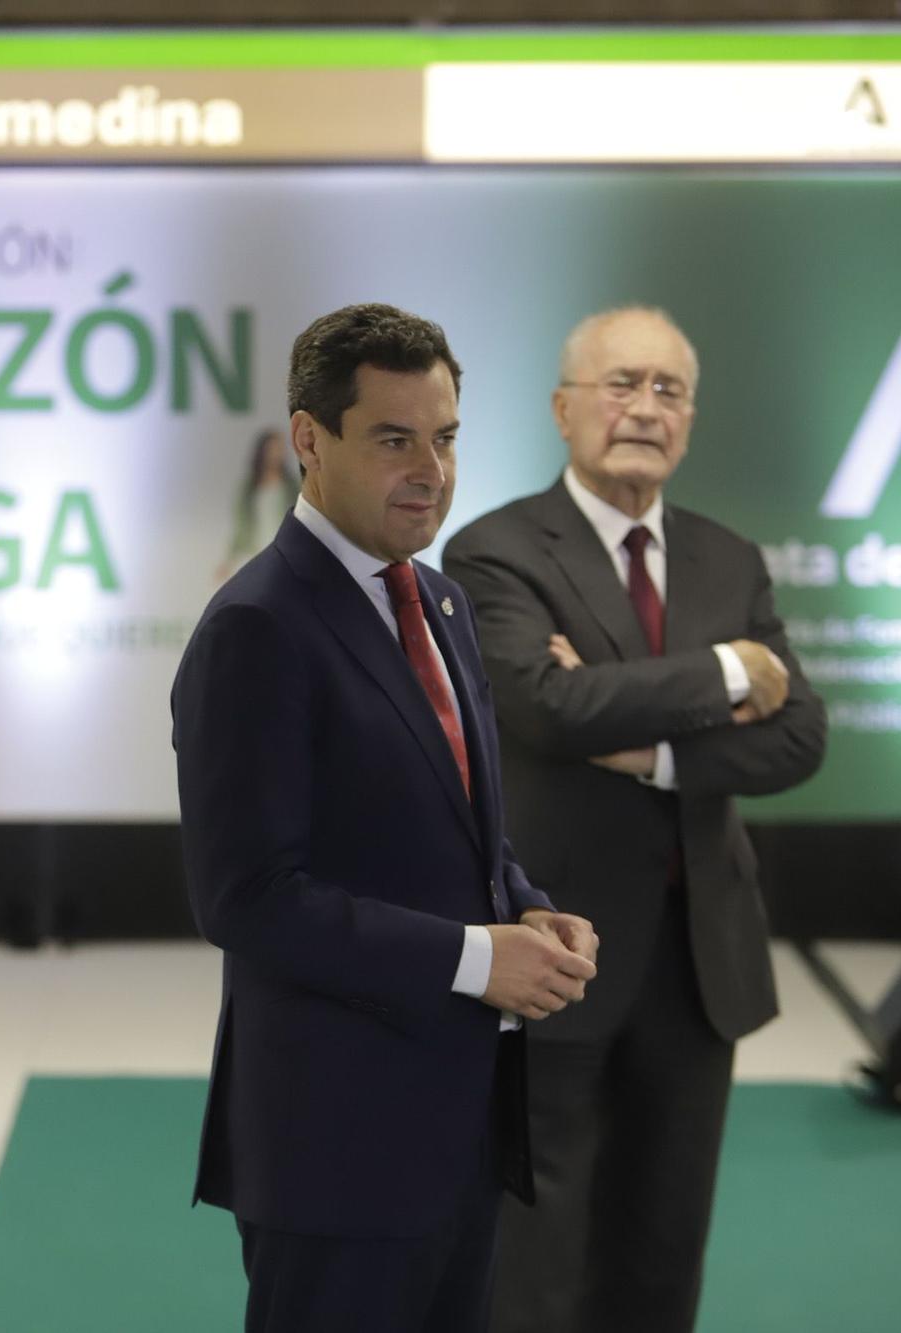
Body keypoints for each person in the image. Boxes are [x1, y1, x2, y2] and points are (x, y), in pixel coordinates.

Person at [172, 302, 600, 1333]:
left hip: (456, 1127)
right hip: (333, 1149)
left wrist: (528, 912)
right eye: (393, 439)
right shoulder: (256, 628)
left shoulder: (440, 604)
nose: (429, 469)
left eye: (445, 437)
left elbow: (456, 825)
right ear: (308, 441)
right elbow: (248, 900)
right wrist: (470, 957)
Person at [442, 306, 827, 1333]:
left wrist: (643, 744)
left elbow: (798, 739)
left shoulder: (726, 558)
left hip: (700, 957)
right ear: (562, 408)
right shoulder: (494, 551)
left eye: (666, 389)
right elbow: (541, 705)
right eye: (619, 384)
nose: (642, 408)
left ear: (689, 421)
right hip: (554, 939)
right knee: (532, 1242)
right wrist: (722, 674)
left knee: (661, 1243)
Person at [217, 427, 301, 580]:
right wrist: (229, 560)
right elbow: (241, 526)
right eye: (273, 449)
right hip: (254, 552)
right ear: (263, 451)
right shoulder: (248, 488)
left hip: (284, 553)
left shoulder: (292, 486)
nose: (276, 454)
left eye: (280, 448)